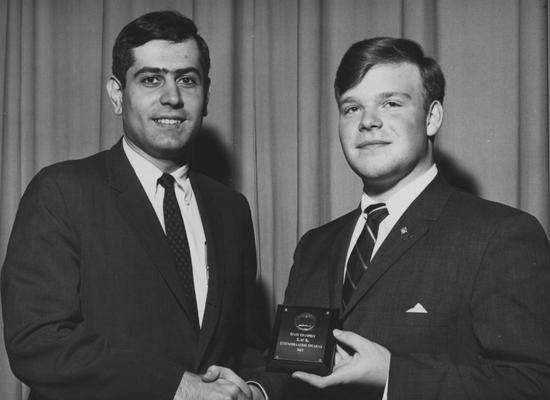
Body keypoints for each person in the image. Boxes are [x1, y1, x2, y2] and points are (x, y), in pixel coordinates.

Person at [1, 10, 267, 400]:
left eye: (187, 80)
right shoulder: (62, 191)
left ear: (206, 96)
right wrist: (177, 387)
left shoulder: (231, 209)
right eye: (151, 79)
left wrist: (257, 390)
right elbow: (38, 342)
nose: (172, 97)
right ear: (116, 94)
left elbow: (246, 344)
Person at [266, 37, 550, 399]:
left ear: (432, 117)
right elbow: (292, 366)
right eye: (351, 108)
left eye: (391, 103)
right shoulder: (315, 245)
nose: (368, 121)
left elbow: (536, 384)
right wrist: (254, 390)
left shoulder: (500, 234)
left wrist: (393, 377)